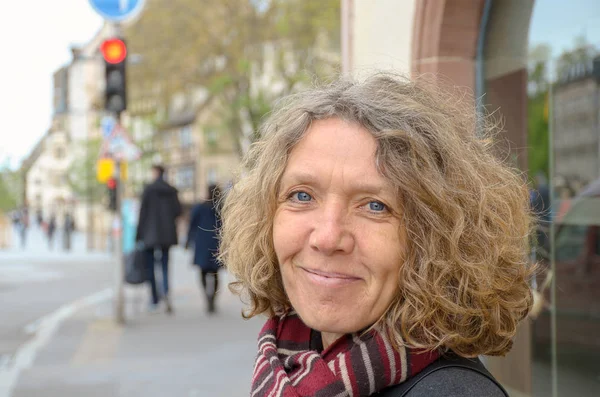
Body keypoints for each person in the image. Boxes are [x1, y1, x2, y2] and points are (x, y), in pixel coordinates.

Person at [218, 74, 534, 396]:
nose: (327, 238)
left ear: (435, 239)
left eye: (374, 205)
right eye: (302, 196)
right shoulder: (293, 360)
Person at [136, 165, 182, 313]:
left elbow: (143, 212)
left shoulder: (148, 190)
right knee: (165, 266)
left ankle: (155, 298)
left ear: (156, 173)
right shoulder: (171, 190)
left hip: (150, 234)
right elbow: (178, 211)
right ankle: (166, 293)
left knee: (151, 267)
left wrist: (139, 234)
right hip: (167, 234)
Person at [186, 184, 222, 314]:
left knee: (202, 272)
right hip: (217, 243)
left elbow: (192, 224)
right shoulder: (221, 208)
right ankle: (212, 297)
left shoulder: (199, 207)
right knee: (216, 273)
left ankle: (207, 296)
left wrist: (188, 240)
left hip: (201, 243)